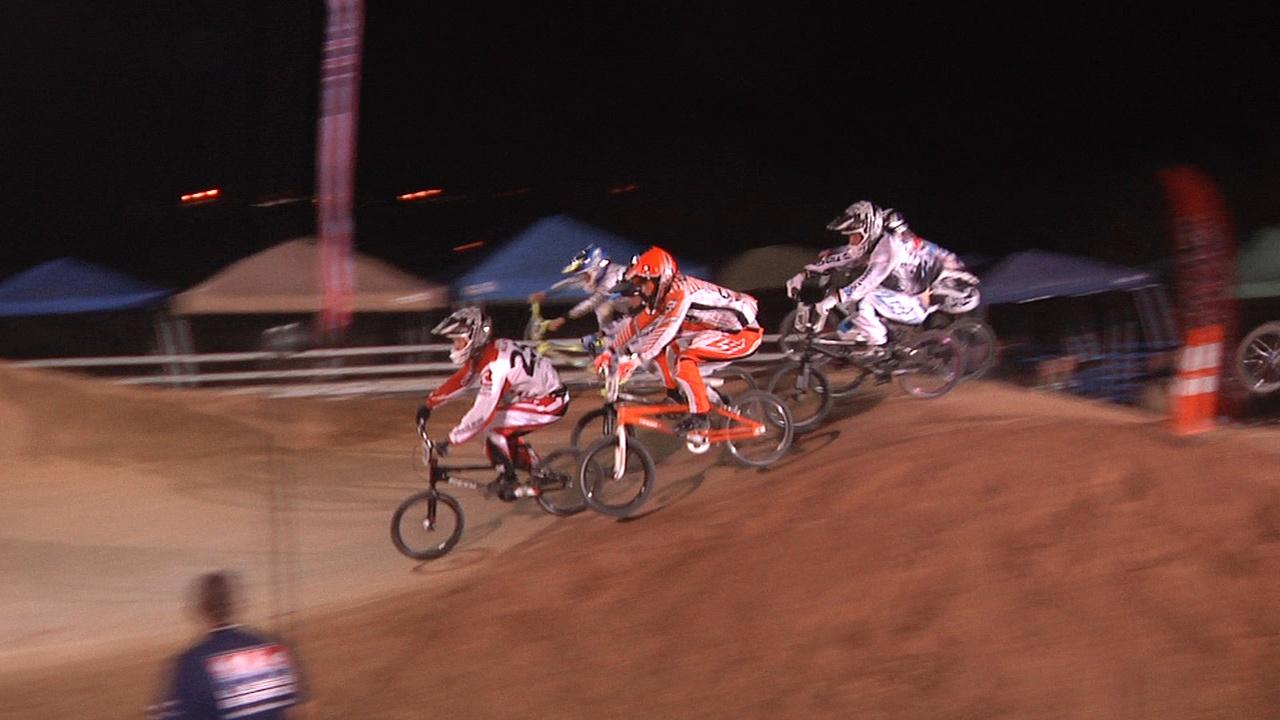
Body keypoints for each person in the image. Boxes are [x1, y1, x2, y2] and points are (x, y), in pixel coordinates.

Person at [593, 246, 762, 436]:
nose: (641, 289)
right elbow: (636, 326)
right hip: (717, 328)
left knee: (685, 362)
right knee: (666, 350)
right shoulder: (664, 294)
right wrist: (610, 351)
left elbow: (666, 329)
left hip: (742, 333)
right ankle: (676, 395)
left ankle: (700, 416)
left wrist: (636, 360)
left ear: (659, 278)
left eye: (644, 283)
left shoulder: (680, 292)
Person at [416, 306, 569, 498]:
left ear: (475, 337)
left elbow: (483, 411)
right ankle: (535, 469)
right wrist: (430, 403)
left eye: (458, 341)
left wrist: (450, 441)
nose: (455, 346)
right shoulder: (488, 351)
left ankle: (509, 477)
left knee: (493, 428)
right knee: (494, 429)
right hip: (536, 395)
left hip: (551, 401)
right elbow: (462, 380)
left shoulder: (497, 365)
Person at [785, 200, 971, 357]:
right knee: (852, 307)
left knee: (861, 297)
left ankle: (879, 344)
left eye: (855, 237)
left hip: (915, 303)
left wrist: (834, 298)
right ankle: (875, 336)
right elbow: (843, 258)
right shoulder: (875, 242)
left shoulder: (889, 248)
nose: (851, 242)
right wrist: (804, 274)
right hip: (900, 292)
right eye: (850, 237)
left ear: (869, 230)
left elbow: (867, 283)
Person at [149, 571, 308, 720]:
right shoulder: (273, 648)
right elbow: (302, 709)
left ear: (202, 608)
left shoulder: (191, 663)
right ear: (238, 604)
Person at [527, 244, 629, 335]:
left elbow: (590, 304)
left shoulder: (611, 281)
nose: (584, 279)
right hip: (624, 306)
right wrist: (545, 293)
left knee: (603, 308)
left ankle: (610, 339)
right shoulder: (605, 273)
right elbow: (571, 282)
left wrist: (563, 319)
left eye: (585, 274)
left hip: (633, 312)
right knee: (603, 309)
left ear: (594, 268)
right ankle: (607, 339)